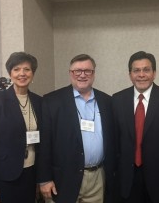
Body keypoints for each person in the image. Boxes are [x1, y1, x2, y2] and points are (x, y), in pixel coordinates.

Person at [37, 54, 115, 203]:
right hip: (62, 179)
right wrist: (44, 179)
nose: (82, 75)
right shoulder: (52, 101)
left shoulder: (106, 101)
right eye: (77, 71)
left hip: (97, 177)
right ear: (70, 73)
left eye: (87, 71)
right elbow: (44, 143)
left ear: (94, 74)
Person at [112, 51, 159, 203]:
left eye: (146, 70)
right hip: (127, 177)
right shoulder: (117, 99)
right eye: (136, 70)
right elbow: (114, 140)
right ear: (130, 74)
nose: (141, 75)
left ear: (154, 73)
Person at [0, 52, 42, 203]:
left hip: (31, 174)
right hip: (5, 176)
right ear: (10, 73)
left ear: (33, 73)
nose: (22, 74)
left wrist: (41, 177)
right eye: (17, 69)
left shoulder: (39, 101)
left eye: (27, 69)